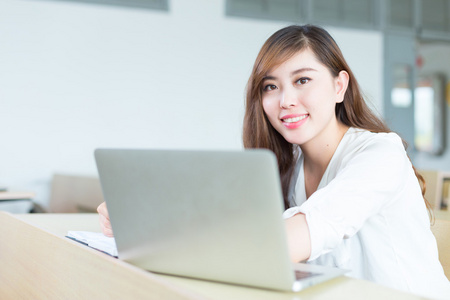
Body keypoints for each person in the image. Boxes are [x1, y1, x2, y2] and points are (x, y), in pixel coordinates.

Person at [97, 25, 449, 298]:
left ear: (339, 86)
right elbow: (232, 219)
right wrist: (142, 216)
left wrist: (162, 237)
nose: (285, 100)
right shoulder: (289, 167)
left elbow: (283, 243)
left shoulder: (379, 153)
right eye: (270, 86)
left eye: (303, 80)